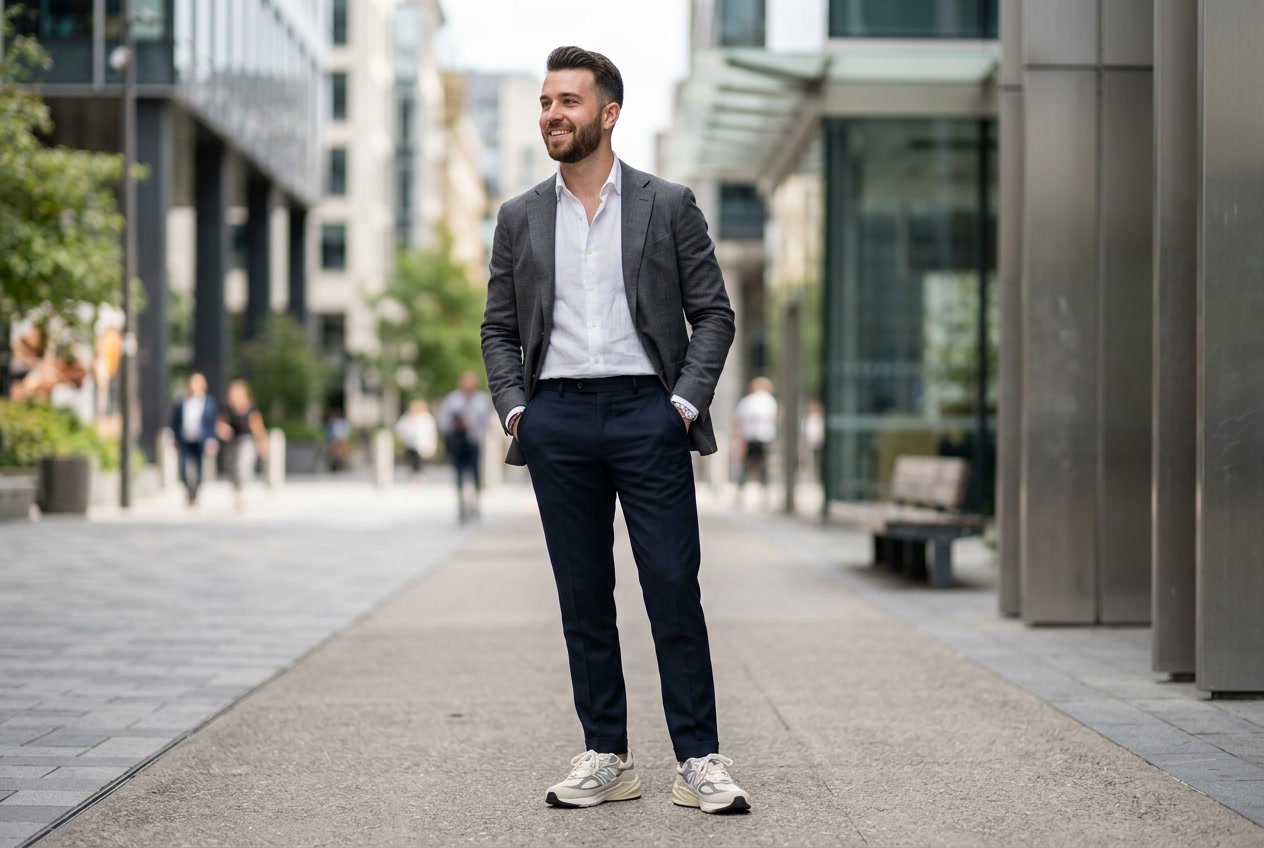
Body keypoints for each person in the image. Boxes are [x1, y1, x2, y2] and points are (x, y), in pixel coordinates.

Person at [480, 47, 748, 813]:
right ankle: (608, 755)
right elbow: (498, 327)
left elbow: (715, 315)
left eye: (568, 101)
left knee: (671, 586)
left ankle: (699, 759)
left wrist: (684, 404)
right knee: (583, 595)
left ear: (609, 113)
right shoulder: (520, 216)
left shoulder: (668, 204)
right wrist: (517, 408)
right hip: (557, 416)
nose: (552, 115)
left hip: (647, 414)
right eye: (543, 102)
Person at [437, 372, 492, 521]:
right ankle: (461, 504)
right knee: (459, 473)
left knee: (476, 473)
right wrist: (456, 425)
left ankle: (476, 503)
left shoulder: (481, 400)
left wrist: (475, 431)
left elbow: (487, 421)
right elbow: (443, 420)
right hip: (458, 442)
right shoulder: (452, 399)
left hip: (473, 442)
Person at [216, 379, 268, 512]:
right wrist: (223, 430)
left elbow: (258, 428)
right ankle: (237, 490)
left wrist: (262, 444)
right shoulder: (227, 409)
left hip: (246, 441)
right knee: (231, 468)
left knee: (242, 465)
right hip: (231, 442)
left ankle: (241, 492)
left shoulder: (250, 408)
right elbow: (219, 424)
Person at [169, 372, 218, 507]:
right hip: (185, 439)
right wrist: (175, 439)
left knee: (199, 468)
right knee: (184, 466)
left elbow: (212, 423)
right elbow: (175, 422)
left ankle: (195, 494)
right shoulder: (182, 401)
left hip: (201, 440)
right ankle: (188, 490)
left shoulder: (209, 402)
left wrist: (211, 439)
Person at [733, 377, 778, 505]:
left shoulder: (747, 401)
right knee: (763, 467)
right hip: (765, 437)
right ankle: (765, 494)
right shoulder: (770, 401)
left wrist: (738, 437)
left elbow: (739, 421)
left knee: (746, 466)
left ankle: (740, 493)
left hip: (749, 436)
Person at [395, 399, 439, 480]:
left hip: (423, 444)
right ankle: (415, 474)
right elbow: (400, 429)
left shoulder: (426, 418)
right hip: (411, 444)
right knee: (413, 459)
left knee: (420, 460)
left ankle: (419, 475)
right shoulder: (408, 417)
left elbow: (429, 432)